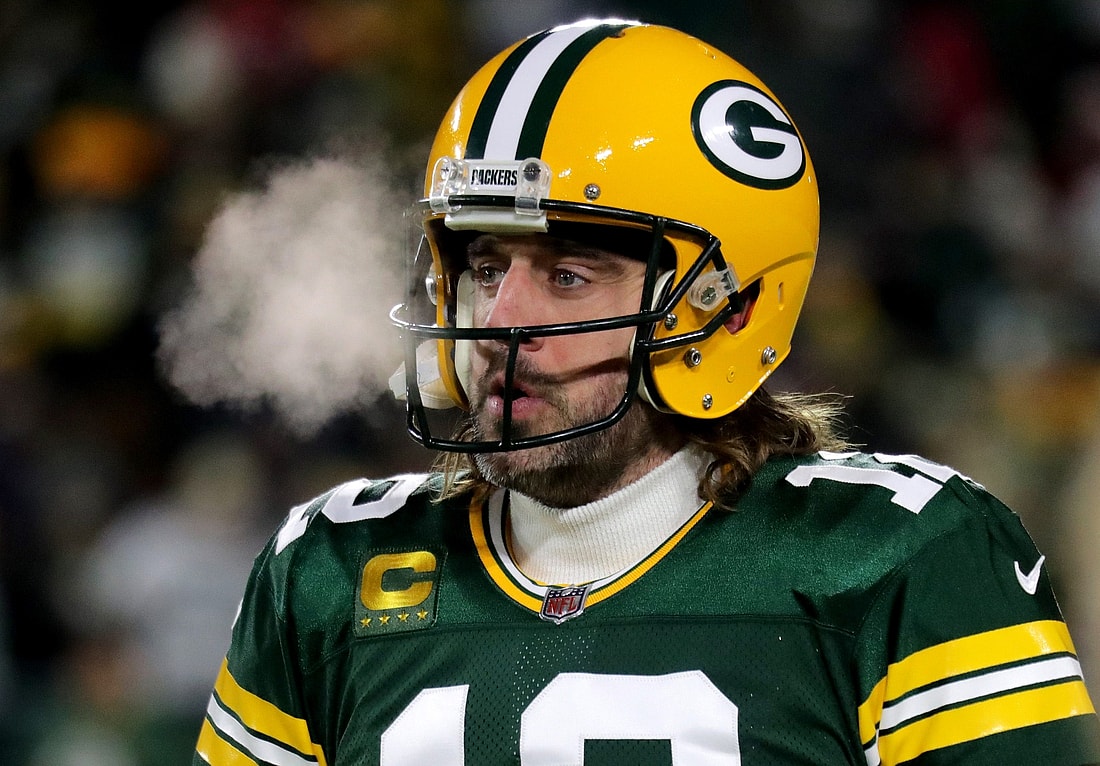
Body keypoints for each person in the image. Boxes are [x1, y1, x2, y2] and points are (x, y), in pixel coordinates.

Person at [193, 19, 1100, 765]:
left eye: (570, 276)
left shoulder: (903, 558)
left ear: (727, 309)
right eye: (485, 263)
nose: (501, 321)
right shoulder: (326, 572)